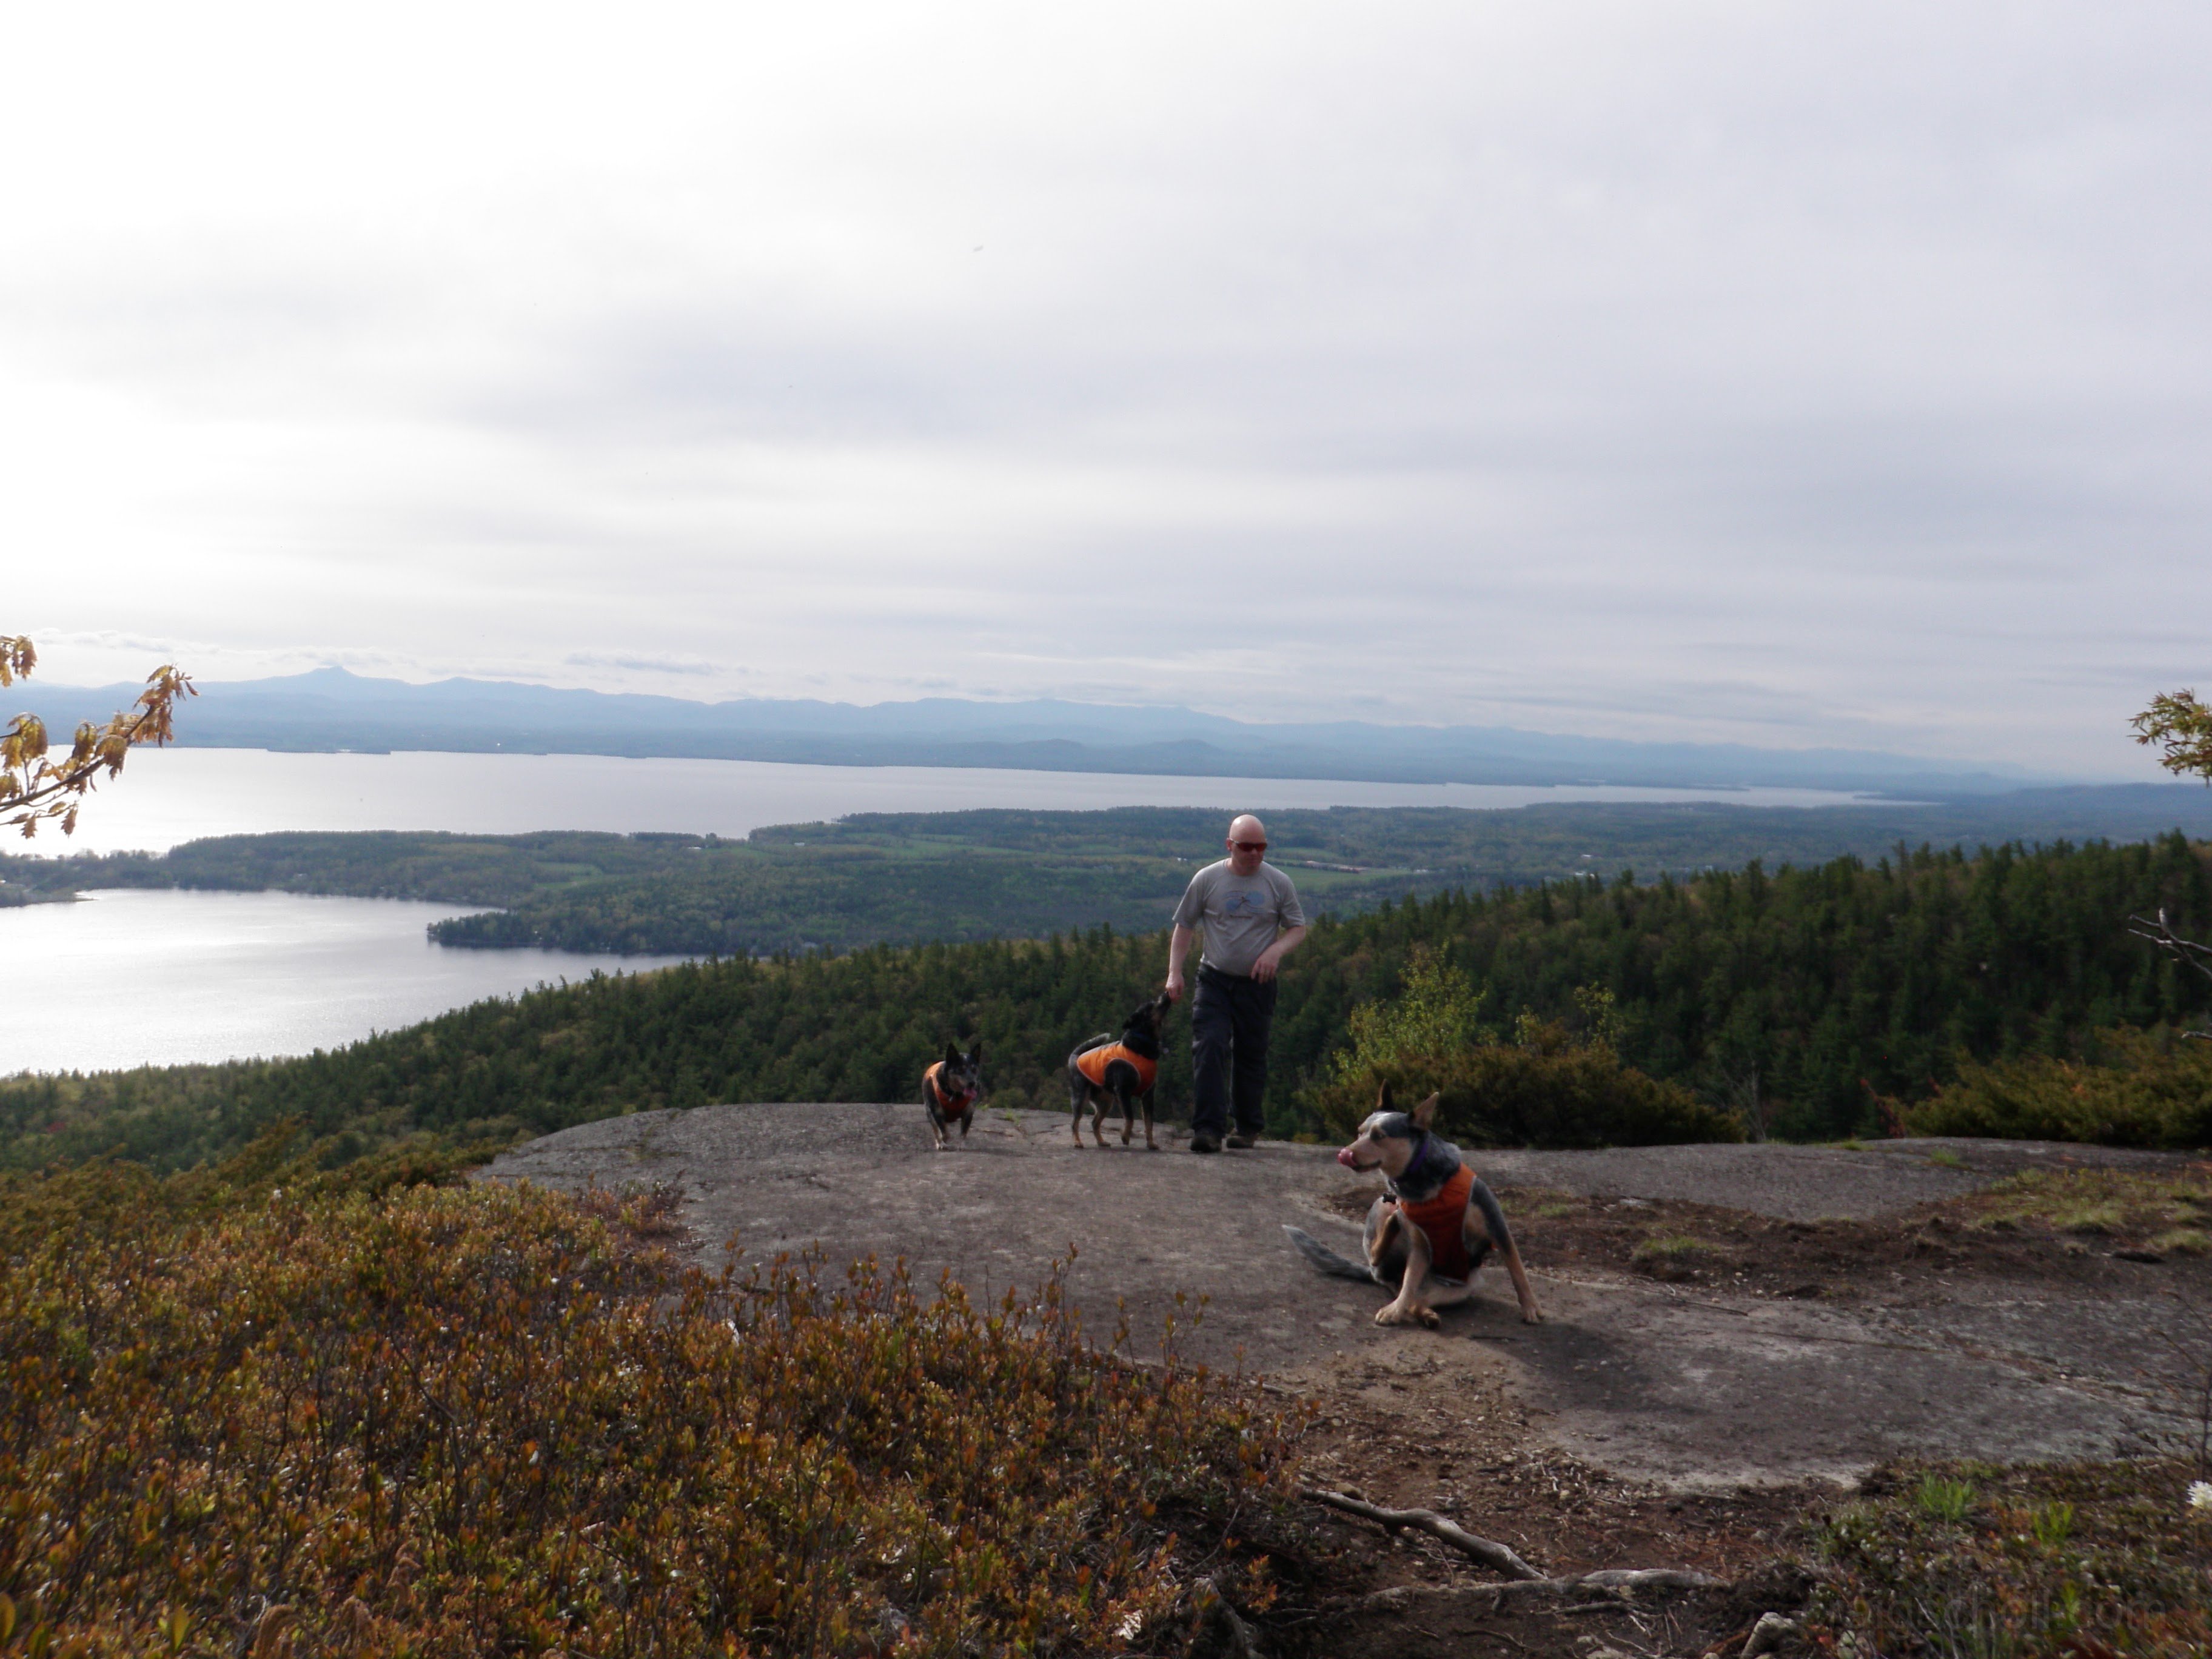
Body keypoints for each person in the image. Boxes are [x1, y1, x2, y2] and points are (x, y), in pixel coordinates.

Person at [1164, 813, 1307, 1153]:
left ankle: (1246, 1128)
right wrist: (1175, 972)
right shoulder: (1208, 879)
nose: (1256, 854)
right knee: (1210, 1046)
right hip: (1213, 978)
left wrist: (1275, 952)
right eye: (1247, 847)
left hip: (1257, 984)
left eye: (1261, 846)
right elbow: (1184, 926)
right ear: (1230, 845)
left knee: (1250, 1053)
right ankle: (1208, 1130)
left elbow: (1298, 929)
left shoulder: (1278, 882)